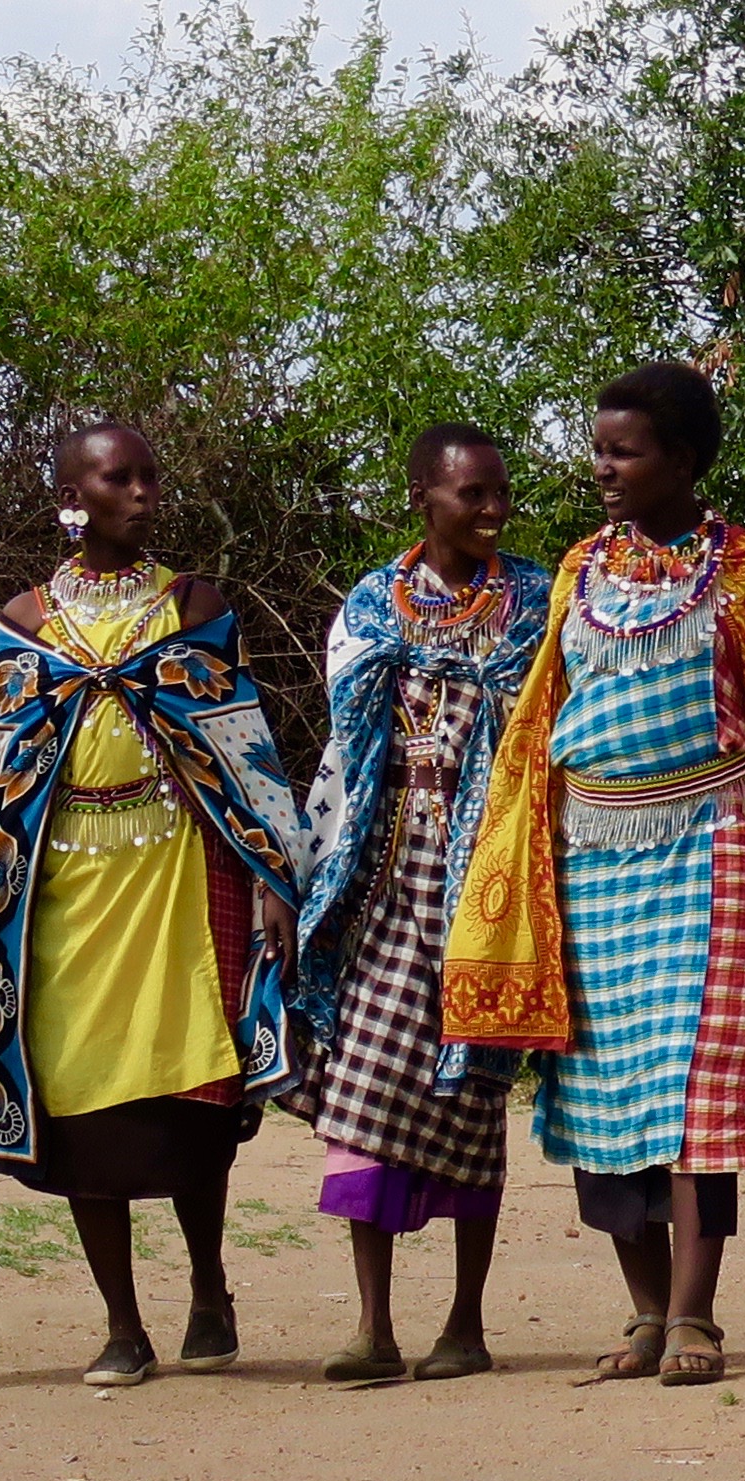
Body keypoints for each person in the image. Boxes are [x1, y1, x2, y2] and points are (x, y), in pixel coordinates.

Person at [441, 363, 745, 1389]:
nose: (603, 467)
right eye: (600, 447)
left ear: (687, 461)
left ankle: (696, 1312)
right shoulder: (579, 568)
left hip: (713, 845)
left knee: (696, 1083)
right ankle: (646, 1308)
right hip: (591, 856)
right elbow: (546, 701)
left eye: (626, 450)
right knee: (609, 1091)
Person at [0, 421, 319, 1387]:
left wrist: (269, 871)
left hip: (179, 871)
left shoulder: (194, 605)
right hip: (59, 888)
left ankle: (209, 1290)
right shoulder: (24, 621)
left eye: (150, 475)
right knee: (78, 1096)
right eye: (119, 478)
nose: (142, 492)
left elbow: (243, 754)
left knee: (195, 1092)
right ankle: (121, 1326)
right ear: (75, 496)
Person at [279, 422, 557, 1382]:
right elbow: (347, 750)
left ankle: (467, 1325)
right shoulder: (369, 608)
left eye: (498, 493)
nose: (491, 510)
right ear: (421, 500)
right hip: (387, 869)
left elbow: (547, 728)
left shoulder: (534, 602)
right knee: (362, 1091)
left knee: (470, 1100)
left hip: (491, 878)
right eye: (471, 494)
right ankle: (372, 1327)